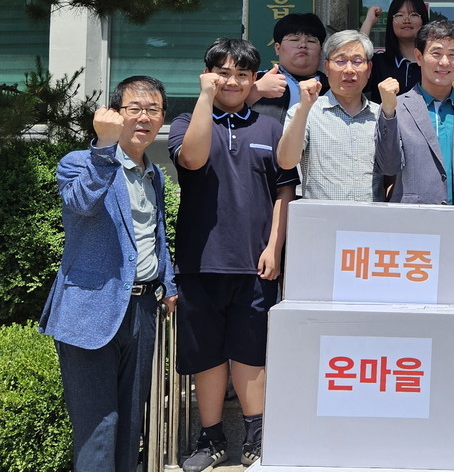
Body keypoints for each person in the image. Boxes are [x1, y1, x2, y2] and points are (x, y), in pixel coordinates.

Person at [169, 38, 299, 471]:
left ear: (253, 79)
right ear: (207, 75)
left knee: (250, 352)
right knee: (207, 354)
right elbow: (192, 159)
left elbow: (284, 192)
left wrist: (274, 246)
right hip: (200, 260)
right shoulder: (186, 121)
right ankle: (211, 439)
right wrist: (205, 98)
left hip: (254, 263)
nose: (232, 81)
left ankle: (256, 437)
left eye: (242, 75)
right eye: (223, 73)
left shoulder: (269, 128)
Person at [39, 76, 178, 472]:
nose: (144, 117)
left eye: (153, 110)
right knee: (97, 428)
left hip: (143, 310)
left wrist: (168, 282)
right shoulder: (79, 162)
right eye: (134, 108)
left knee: (131, 426)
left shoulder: (153, 173)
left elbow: (153, 233)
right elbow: (81, 203)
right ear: (114, 114)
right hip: (89, 309)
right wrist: (103, 146)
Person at [376, 20, 454, 205]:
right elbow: (388, 167)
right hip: (415, 217)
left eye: (452, 54)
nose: (444, 62)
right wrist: (388, 112)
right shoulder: (396, 107)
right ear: (418, 57)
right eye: (436, 53)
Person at [277, 30, 384, 201]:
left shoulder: (381, 115)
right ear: (326, 67)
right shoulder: (306, 112)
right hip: (321, 216)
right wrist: (304, 109)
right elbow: (286, 161)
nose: (349, 70)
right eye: (340, 61)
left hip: (371, 216)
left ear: (369, 68)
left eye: (357, 61)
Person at [248, 12, 328, 124]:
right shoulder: (255, 82)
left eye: (311, 41)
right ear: (277, 48)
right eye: (294, 40)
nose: (303, 45)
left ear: (321, 50)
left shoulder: (334, 87)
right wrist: (255, 91)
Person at [359, 0, 428, 102]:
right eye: (399, 15)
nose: (406, 20)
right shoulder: (379, 63)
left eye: (414, 14)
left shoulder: (431, 64)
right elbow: (357, 57)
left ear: (423, 21)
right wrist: (369, 20)